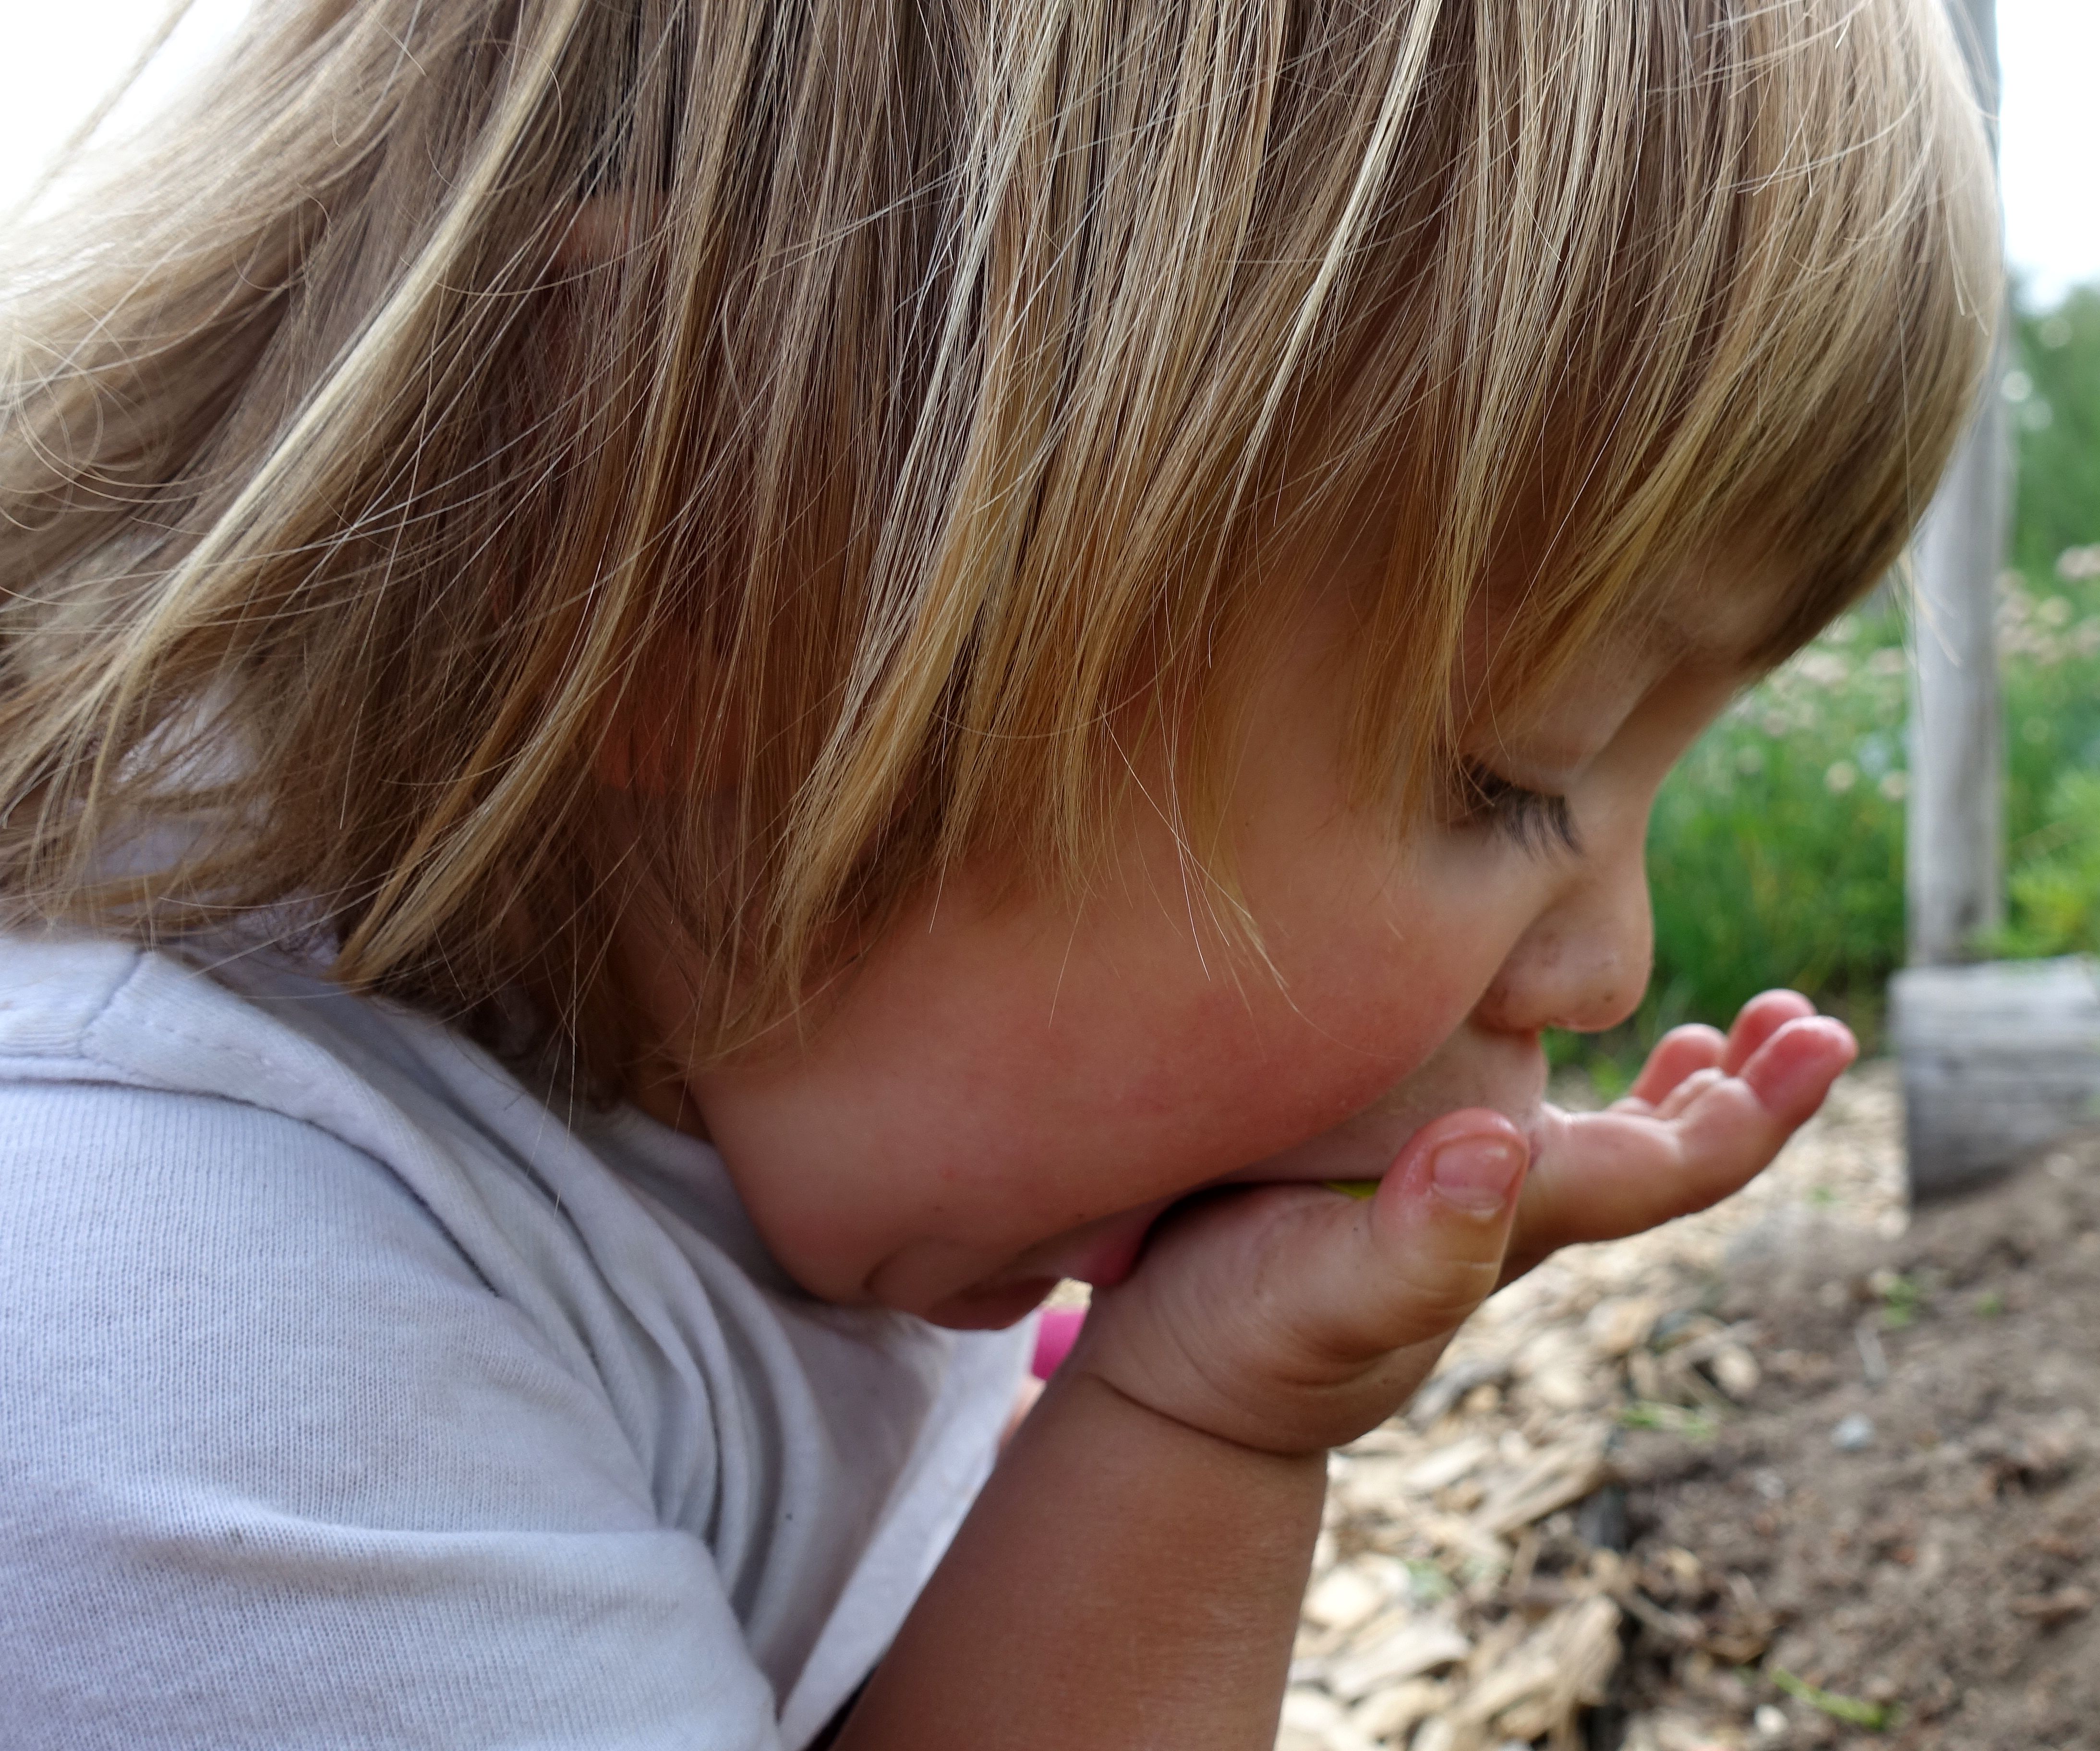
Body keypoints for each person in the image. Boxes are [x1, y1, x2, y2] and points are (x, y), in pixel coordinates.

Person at [0, 0, 1997, 1745]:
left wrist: (1198, 1417)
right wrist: (1207, 1439)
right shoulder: (172, 1353)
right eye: (1506, 774)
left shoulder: (753, 1086)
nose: (1607, 961)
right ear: (703, 550)